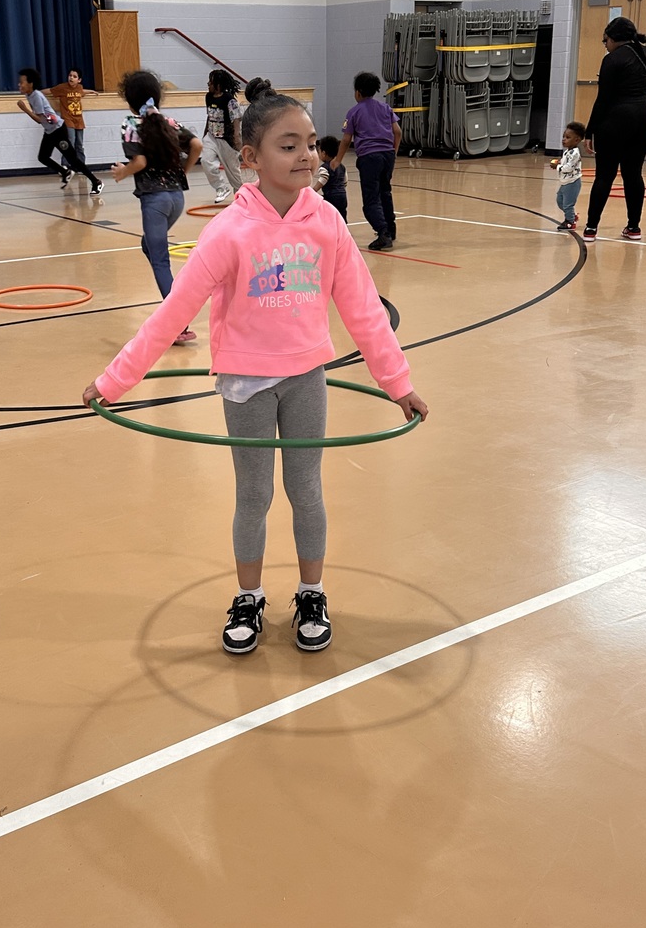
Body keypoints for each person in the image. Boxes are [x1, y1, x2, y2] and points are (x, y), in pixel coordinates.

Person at [83, 89, 428, 655]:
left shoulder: (327, 224)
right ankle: (249, 596)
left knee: (306, 489)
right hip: (245, 382)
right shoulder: (229, 231)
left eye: (311, 144)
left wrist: (399, 383)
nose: (307, 156)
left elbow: (363, 308)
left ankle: (311, 592)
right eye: (288, 145)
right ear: (250, 159)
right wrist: (113, 381)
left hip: (306, 376)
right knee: (254, 494)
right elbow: (173, 315)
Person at [112, 69, 202, 344]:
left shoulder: (130, 123)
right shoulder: (169, 122)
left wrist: (122, 172)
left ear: (129, 100)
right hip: (177, 198)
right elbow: (196, 145)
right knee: (148, 245)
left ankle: (179, 324)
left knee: (161, 261)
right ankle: (174, 299)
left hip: (155, 201)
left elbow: (139, 163)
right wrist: (184, 172)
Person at [582, 17, 646, 243]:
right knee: (633, 173)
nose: (605, 44)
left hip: (616, 118)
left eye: (605, 40)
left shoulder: (612, 59)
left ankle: (591, 229)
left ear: (613, 38)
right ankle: (634, 228)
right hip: (645, 115)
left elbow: (602, 99)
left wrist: (589, 132)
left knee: (605, 174)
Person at [331, 71, 401, 250]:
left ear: (358, 92)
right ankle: (391, 229)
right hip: (387, 155)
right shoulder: (385, 108)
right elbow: (397, 131)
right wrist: (394, 151)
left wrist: (337, 160)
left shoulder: (354, 112)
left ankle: (382, 232)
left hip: (369, 157)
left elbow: (346, 140)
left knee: (371, 198)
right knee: (385, 191)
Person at [17, 67, 104, 195]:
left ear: (31, 84)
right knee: (43, 157)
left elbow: (40, 120)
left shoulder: (36, 96)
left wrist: (25, 109)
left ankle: (96, 182)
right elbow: (45, 119)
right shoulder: (29, 95)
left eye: (22, 82)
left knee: (73, 159)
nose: (19, 84)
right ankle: (65, 172)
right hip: (50, 131)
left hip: (58, 130)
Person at [45, 66, 99, 173]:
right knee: (70, 141)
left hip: (79, 120)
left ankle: (81, 165)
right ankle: (65, 165)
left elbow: (82, 91)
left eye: (74, 77)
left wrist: (92, 91)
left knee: (79, 143)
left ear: (79, 80)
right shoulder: (62, 88)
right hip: (68, 119)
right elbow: (50, 90)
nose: (71, 78)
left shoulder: (79, 88)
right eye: (70, 75)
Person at [201, 69, 243, 203]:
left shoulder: (229, 100)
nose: (208, 84)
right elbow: (209, 115)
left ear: (218, 84)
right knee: (206, 161)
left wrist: (237, 137)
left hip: (227, 139)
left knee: (233, 173)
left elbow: (236, 118)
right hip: (212, 137)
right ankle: (221, 188)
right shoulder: (208, 97)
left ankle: (241, 195)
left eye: (211, 82)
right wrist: (205, 132)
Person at [550, 121, 585, 231]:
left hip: (572, 182)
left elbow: (569, 168)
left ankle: (570, 221)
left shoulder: (575, 153)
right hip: (565, 182)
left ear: (576, 140)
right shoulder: (567, 152)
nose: (564, 139)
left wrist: (557, 166)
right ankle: (572, 216)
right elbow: (565, 163)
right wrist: (560, 163)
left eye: (568, 137)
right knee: (560, 201)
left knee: (568, 204)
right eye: (564, 136)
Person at [312, 135, 348, 221]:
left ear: (324, 153)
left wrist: (314, 190)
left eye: (319, 151)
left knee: (329, 214)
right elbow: (345, 181)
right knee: (341, 215)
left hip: (331, 196)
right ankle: (343, 230)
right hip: (342, 196)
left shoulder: (324, 167)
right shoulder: (342, 166)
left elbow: (324, 178)